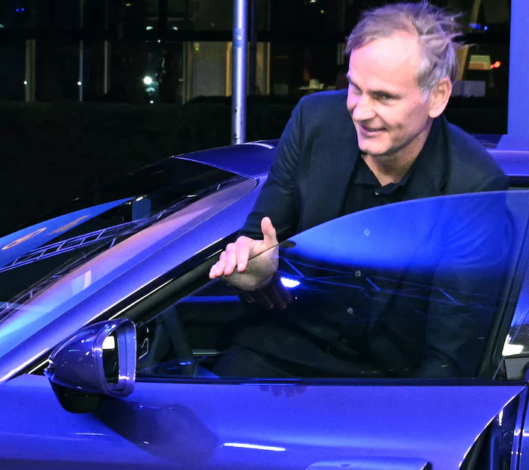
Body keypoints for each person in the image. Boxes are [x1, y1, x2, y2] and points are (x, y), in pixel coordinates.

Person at [208, 1, 509, 377]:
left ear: (437, 96)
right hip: (277, 357)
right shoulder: (313, 121)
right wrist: (254, 274)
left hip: (388, 383)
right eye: (354, 88)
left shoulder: (473, 185)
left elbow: (450, 355)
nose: (360, 111)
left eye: (384, 97)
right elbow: (259, 242)